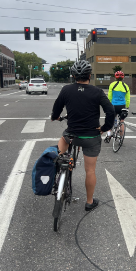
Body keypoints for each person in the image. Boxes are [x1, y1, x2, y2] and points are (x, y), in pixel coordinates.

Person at [51, 60, 115, 211]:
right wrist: (104, 128)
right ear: (90, 75)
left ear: (73, 76)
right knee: (90, 170)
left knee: (60, 148)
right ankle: (89, 202)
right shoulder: (97, 92)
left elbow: (56, 108)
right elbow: (110, 111)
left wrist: (55, 117)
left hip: (71, 135)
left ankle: (59, 171)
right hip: (91, 137)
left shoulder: (66, 90)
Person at [106, 70, 130, 141]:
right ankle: (121, 138)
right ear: (123, 78)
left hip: (113, 105)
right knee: (122, 121)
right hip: (122, 106)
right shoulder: (126, 86)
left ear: (115, 78)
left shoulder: (112, 85)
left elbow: (109, 96)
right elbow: (128, 99)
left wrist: (109, 104)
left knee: (110, 120)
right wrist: (127, 106)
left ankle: (109, 135)